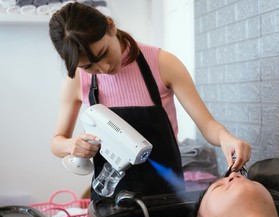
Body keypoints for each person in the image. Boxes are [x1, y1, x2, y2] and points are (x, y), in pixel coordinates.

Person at [48, 2, 251, 200]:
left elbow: (208, 126)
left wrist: (226, 138)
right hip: (110, 203)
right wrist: (72, 145)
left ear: (111, 26)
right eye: (88, 66)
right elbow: (57, 141)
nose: (104, 69)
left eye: (103, 54)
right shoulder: (77, 80)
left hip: (166, 199)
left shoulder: (162, 63)